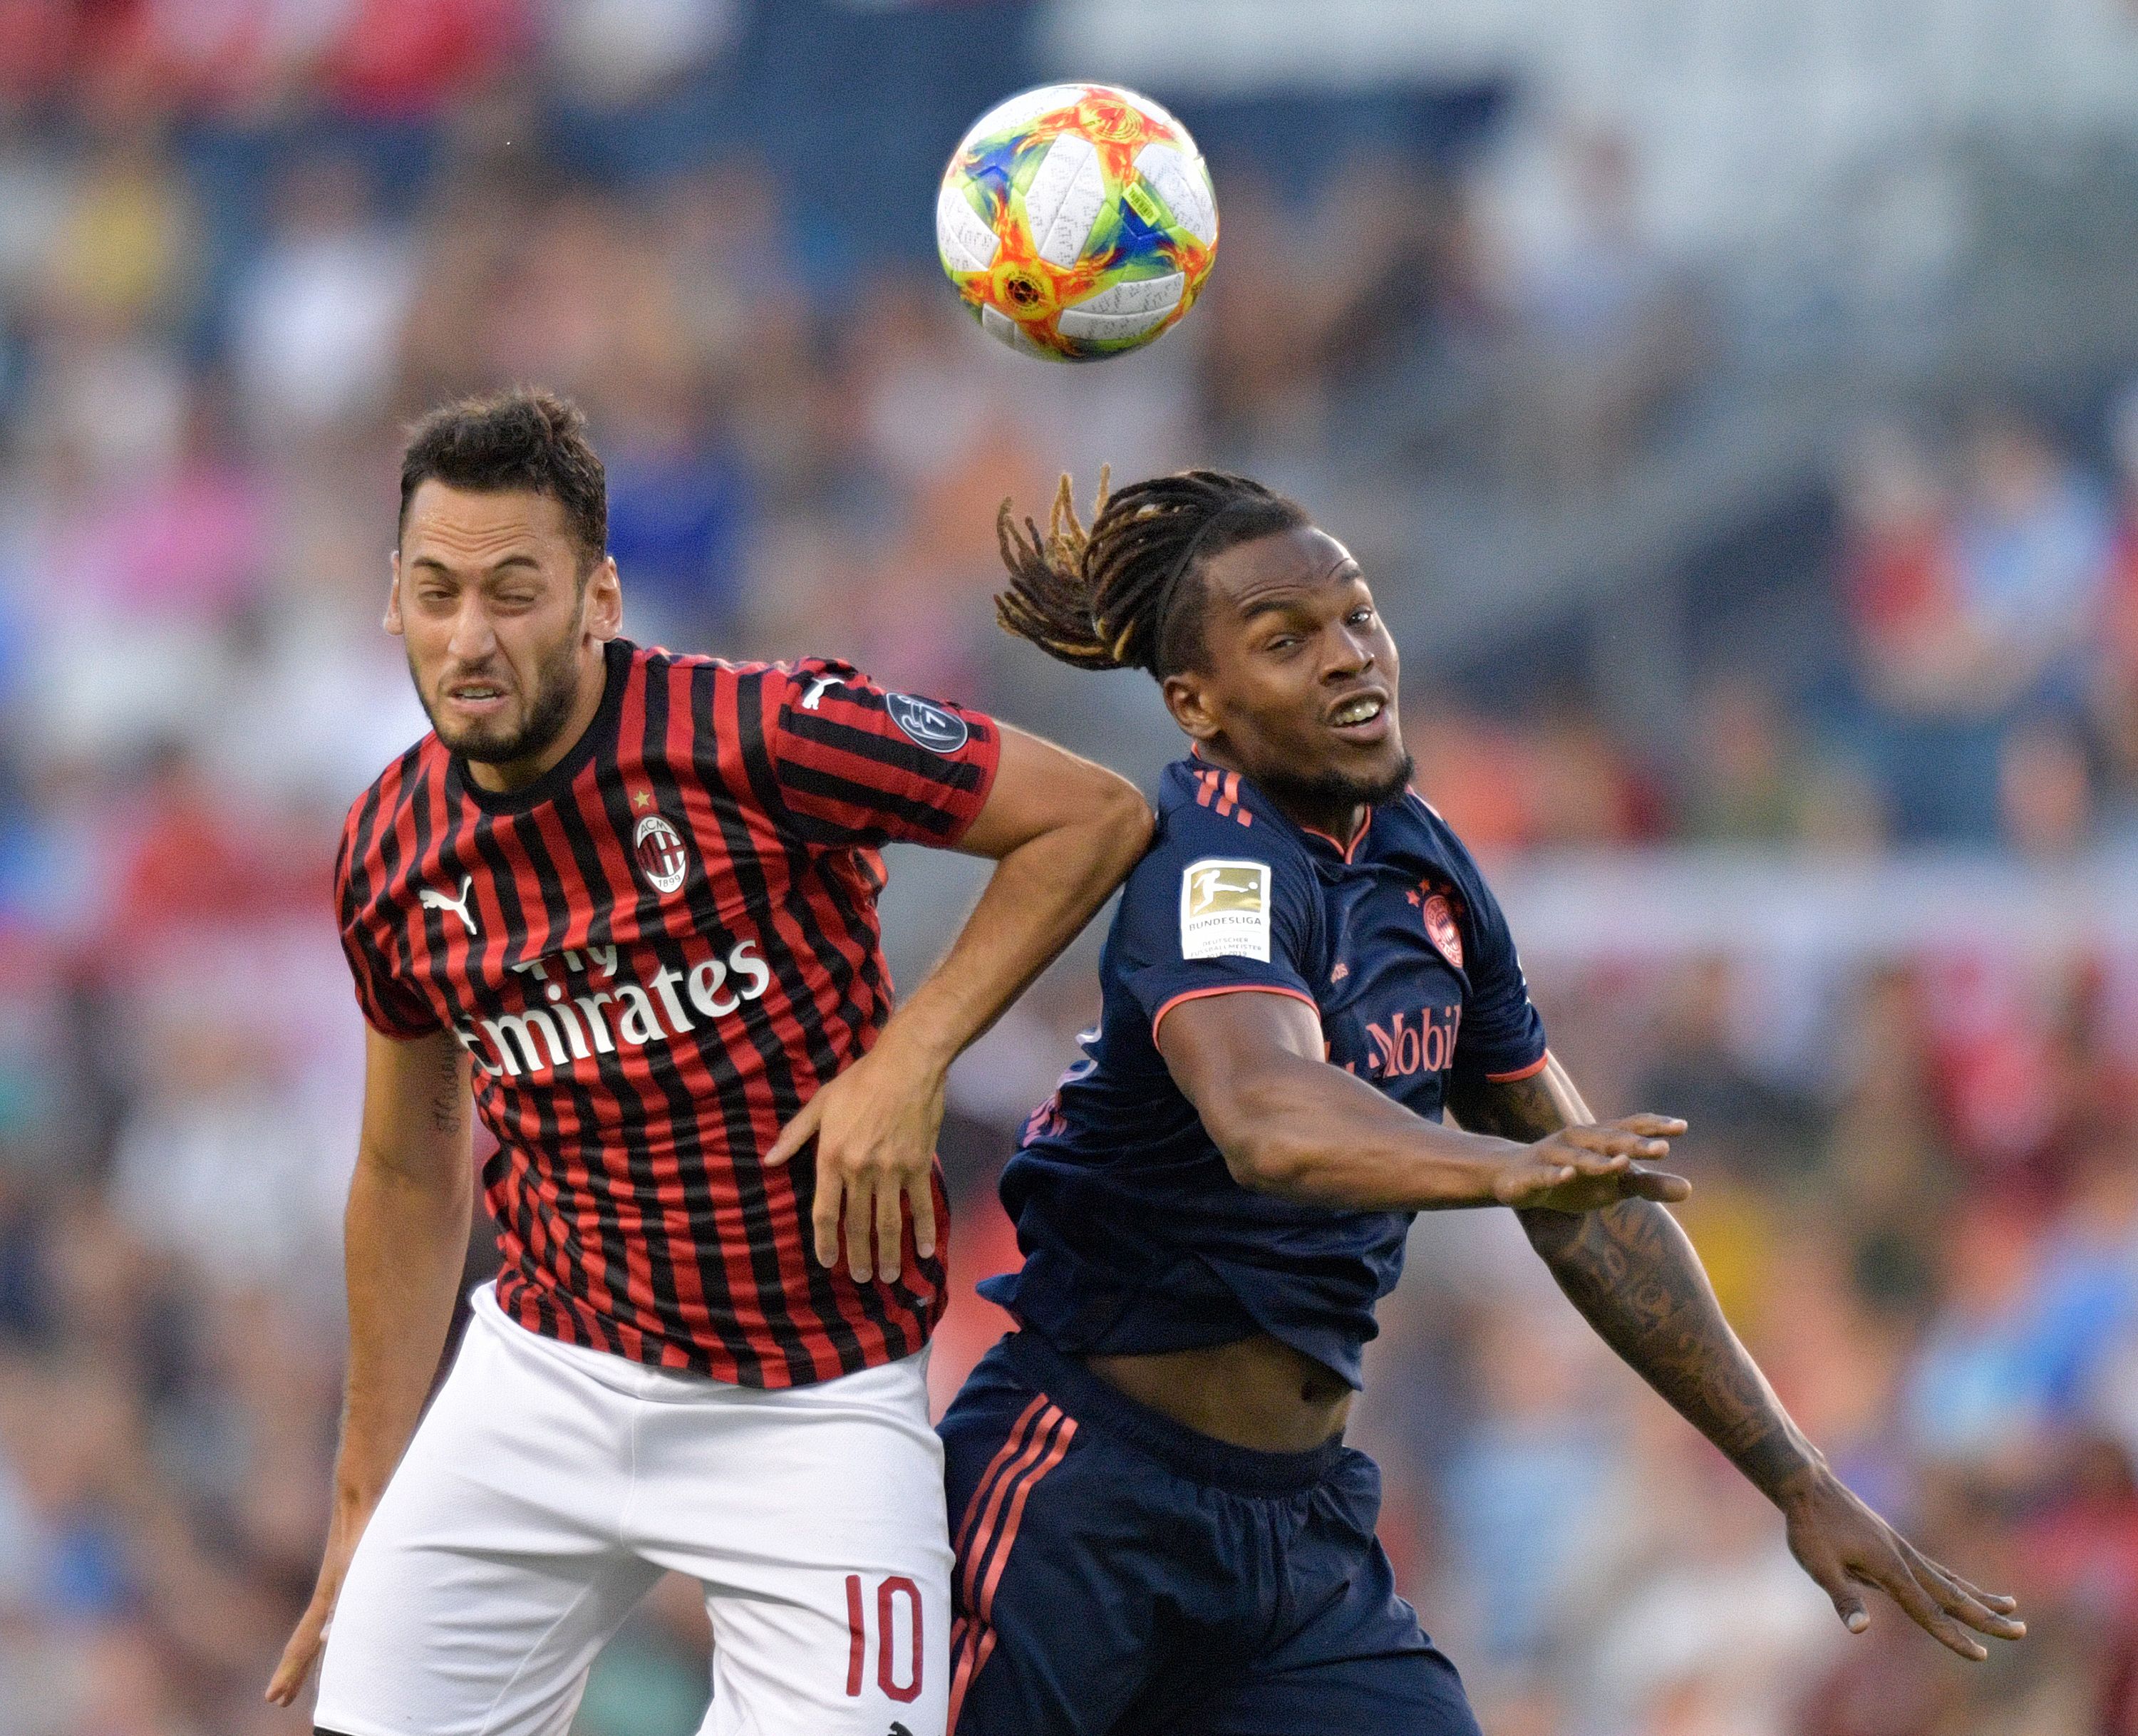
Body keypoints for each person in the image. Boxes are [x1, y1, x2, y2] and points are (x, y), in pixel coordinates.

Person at [936, 469, 2026, 1735]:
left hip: (1296, 1533)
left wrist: (1796, 1476)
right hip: (1084, 1494)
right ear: (1201, 707)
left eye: (1359, 618)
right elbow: (1264, 1109)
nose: (1351, 658)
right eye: (1287, 643)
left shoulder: (1427, 867)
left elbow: (1594, 1207)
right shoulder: (1209, 860)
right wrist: (1497, 1171)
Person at [267, 390, 1153, 1736]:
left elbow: (1094, 814)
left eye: (516, 592)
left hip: (812, 1407)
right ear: (393, 598)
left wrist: (908, 1061)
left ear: (600, 599)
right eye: (437, 592)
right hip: (544, 1380)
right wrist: (362, 1500)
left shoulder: (767, 734)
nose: (471, 637)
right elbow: (405, 1165)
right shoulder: (389, 852)